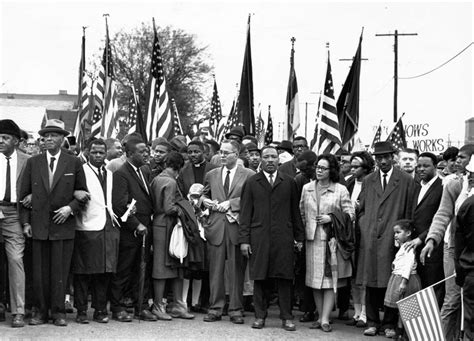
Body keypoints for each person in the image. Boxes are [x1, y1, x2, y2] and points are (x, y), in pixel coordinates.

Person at [20, 119, 88, 327]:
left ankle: (58, 312)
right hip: (39, 225)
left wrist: (70, 208)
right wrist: (25, 223)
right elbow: (23, 196)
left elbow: (83, 194)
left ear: (62, 139)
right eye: (45, 136)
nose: (48, 139)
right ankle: (40, 312)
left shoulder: (74, 162)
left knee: (60, 272)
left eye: (54, 135)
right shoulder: (33, 162)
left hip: (63, 226)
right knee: (39, 273)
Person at [240, 146, 304, 332]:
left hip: (283, 237)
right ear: (260, 159)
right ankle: (260, 316)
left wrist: (299, 237)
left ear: (279, 160)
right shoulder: (252, 182)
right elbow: (245, 214)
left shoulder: (289, 182)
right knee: (260, 278)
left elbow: (295, 212)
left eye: (273, 157)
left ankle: (287, 317)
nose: (270, 160)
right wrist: (244, 240)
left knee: (284, 278)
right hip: (259, 237)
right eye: (266, 157)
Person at [356, 141, 416, 337]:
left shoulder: (405, 180)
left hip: (395, 238)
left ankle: (389, 323)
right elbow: (362, 208)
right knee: (371, 280)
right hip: (371, 237)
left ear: (393, 157)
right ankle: (372, 321)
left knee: (393, 280)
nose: (382, 161)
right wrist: (365, 226)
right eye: (379, 158)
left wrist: (403, 234)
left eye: (386, 157)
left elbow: (408, 210)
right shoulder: (369, 180)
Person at [420, 144, 474, 340]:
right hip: (453, 248)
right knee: (452, 299)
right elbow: (443, 214)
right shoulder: (454, 184)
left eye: (464, 157)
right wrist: (432, 240)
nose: (458, 161)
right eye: (457, 157)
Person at [299, 154, 355, 333]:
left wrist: (330, 218)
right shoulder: (307, 188)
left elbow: (350, 214)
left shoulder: (340, 190)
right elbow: (301, 212)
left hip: (331, 241)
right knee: (315, 280)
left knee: (330, 280)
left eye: (323, 168)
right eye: (317, 167)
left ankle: (325, 318)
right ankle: (319, 315)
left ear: (332, 171)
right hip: (311, 239)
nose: (319, 170)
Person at [202, 140, 255, 324]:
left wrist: (232, 203)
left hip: (236, 227)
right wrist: (204, 201)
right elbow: (204, 196)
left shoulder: (248, 174)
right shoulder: (211, 174)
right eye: (221, 152)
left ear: (236, 155)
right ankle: (215, 308)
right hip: (216, 226)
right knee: (215, 270)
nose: (222, 155)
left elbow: (252, 200)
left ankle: (236, 309)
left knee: (236, 270)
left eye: (227, 152)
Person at [71, 139, 120, 324]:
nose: (98, 156)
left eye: (101, 152)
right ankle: (81, 311)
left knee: (104, 271)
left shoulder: (109, 172)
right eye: (94, 152)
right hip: (87, 225)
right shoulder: (81, 171)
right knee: (83, 271)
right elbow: (74, 193)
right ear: (87, 152)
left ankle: (100, 309)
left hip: (107, 225)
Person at [109, 137, 156, 322]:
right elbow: (119, 205)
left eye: (147, 151)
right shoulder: (121, 174)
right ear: (129, 154)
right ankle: (117, 307)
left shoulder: (144, 170)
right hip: (130, 231)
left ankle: (141, 306)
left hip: (145, 229)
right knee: (124, 269)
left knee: (141, 269)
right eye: (142, 152)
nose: (147, 154)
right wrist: (136, 224)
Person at [150, 151, 195, 321]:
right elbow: (169, 208)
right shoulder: (170, 182)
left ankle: (173, 304)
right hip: (167, 225)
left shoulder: (157, 179)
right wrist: (184, 209)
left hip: (160, 225)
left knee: (174, 264)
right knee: (168, 265)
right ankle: (162, 305)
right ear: (179, 167)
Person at [177, 140, 218, 313]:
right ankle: (186, 302)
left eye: (196, 151)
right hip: (189, 220)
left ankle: (201, 301)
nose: (193, 155)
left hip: (209, 218)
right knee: (190, 263)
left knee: (205, 264)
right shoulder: (184, 171)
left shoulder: (213, 170)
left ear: (204, 152)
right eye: (190, 152)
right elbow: (179, 193)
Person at [0, 119, 30, 327]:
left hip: (14, 214)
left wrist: (33, 197)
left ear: (16, 141)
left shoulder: (28, 161)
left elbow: (40, 186)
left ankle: (18, 310)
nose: (0, 141)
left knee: (15, 260)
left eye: (5, 138)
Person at [404, 152, 444, 306]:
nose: (421, 169)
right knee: (414, 287)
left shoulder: (442, 187)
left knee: (431, 288)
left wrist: (421, 238)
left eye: (426, 166)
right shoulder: (414, 187)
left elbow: (439, 220)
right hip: (412, 247)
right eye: (419, 166)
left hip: (431, 247)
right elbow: (410, 215)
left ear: (435, 167)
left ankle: (432, 327)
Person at [344, 151, 375, 328]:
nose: (353, 169)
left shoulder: (371, 184)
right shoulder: (348, 183)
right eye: (352, 166)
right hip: (350, 233)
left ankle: (365, 313)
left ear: (366, 168)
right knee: (353, 275)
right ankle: (356, 312)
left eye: (357, 167)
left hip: (364, 232)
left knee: (364, 274)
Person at [383, 220, 422, 339]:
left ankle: (404, 333)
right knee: (401, 308)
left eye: (398, 232)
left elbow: (408, 265)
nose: (395, 235)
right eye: (394, 233)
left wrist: (404, 282)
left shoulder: (409, 247)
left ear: (408, 233)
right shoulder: (403, 246)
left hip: (405, 279)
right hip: (398, 277)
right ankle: (400, 331)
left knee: (406, 307)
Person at [455, 160, 474, 341]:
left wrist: (460, 274)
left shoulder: (467, 205)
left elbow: (459, 244)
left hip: (471, 273)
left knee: (471, 325)